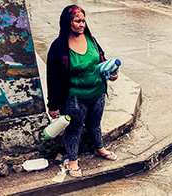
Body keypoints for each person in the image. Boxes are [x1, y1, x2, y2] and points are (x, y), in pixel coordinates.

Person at [46, 5, 118, 178]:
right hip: (74, 99)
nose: (82, 24)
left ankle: (99, 148)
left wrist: (112, 72)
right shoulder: (58, 48)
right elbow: (53, 79)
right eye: (77, 21)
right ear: (67, 23)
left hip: (98, 93)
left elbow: (101, 60)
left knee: (95, 124)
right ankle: (72, 160)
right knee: (74, 129)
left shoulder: (91, 39)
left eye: (83, 20)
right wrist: (53, 105)